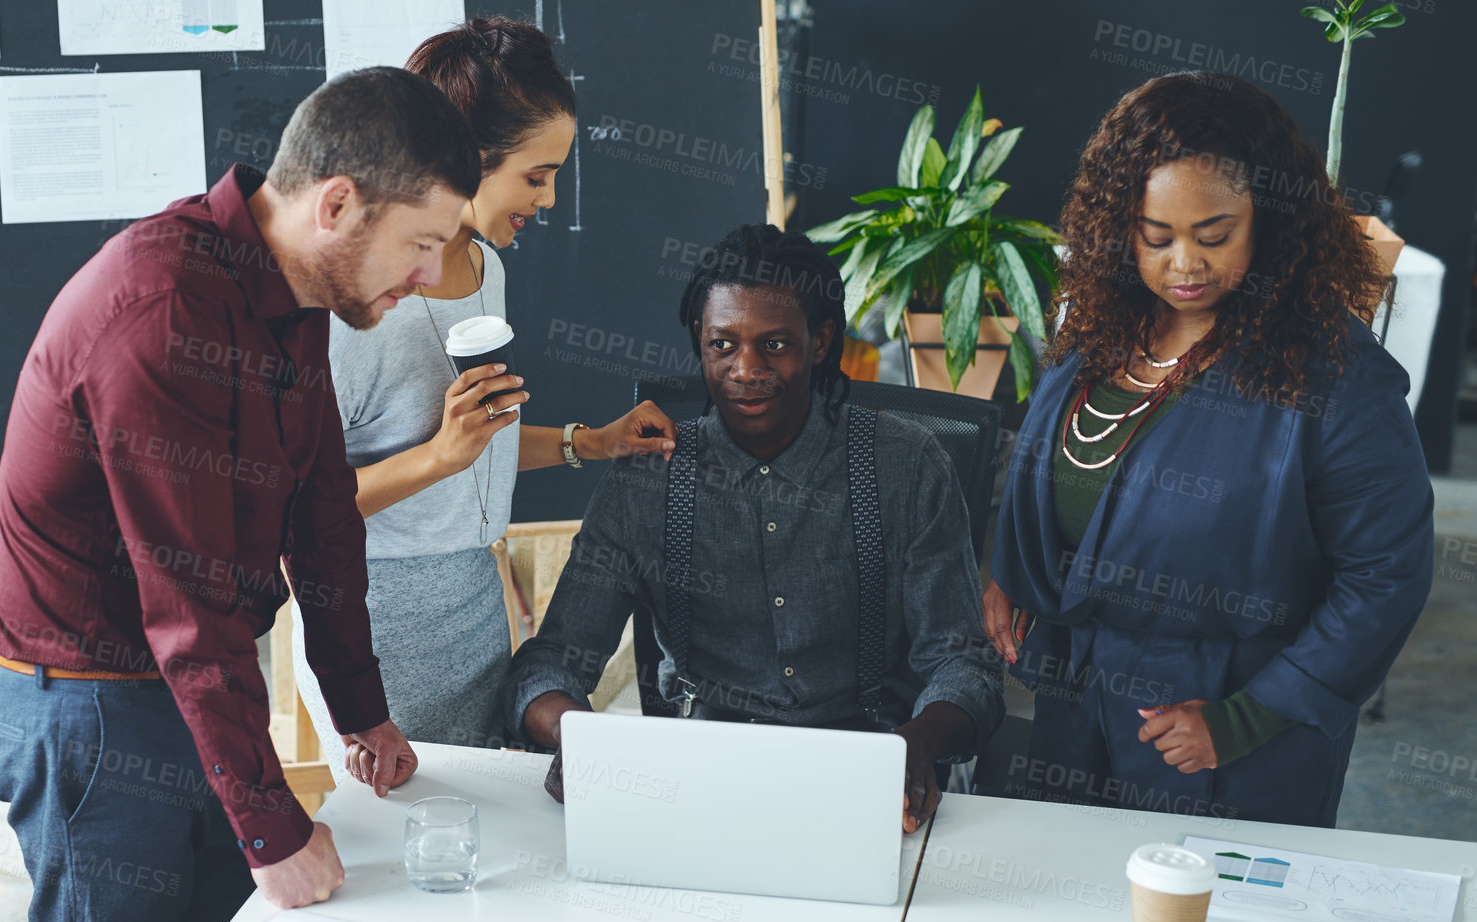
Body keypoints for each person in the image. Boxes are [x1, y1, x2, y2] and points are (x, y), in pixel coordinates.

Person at [0, 69, 477, 922]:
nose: (433, 278)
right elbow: (190, 608)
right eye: (423, 243)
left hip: (182, 687)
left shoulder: (293, 290)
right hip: (88, 709)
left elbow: (323, 510)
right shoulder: (161, 312)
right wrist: (269, 822)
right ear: (335, 203)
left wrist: (361, 708)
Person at [982, 73, 1434, 826]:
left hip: (1223, 729)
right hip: (1078, 697)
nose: (1184, 265)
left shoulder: (1337, 376)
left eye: (1214, 235)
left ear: (1274, 221)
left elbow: (1388, 575)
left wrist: (1245, 720)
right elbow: (1055, 462)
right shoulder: (1102, 326)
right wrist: (1016, 562)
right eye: (1156, 238)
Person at [502, 224, 1005, 827]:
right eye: (722, 345)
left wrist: (917, 744)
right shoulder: (647, 479)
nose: (745, 369)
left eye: (773, 345)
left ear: (818, 342)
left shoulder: (908, 465)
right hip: (700, 775)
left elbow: (962, 663)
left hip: (868, 768)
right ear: (699, 339)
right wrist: (576, 736)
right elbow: (552, 661)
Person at [291, 17, 676, 756]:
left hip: (474, 593)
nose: (552, 199)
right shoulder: (357, 301)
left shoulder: (485, 265)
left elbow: (475, 448)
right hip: (375, 615)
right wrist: (440, 455)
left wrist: (591, 443)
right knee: (415, 835)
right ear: (465, 158)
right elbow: (297, 509)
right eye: (536, 175)